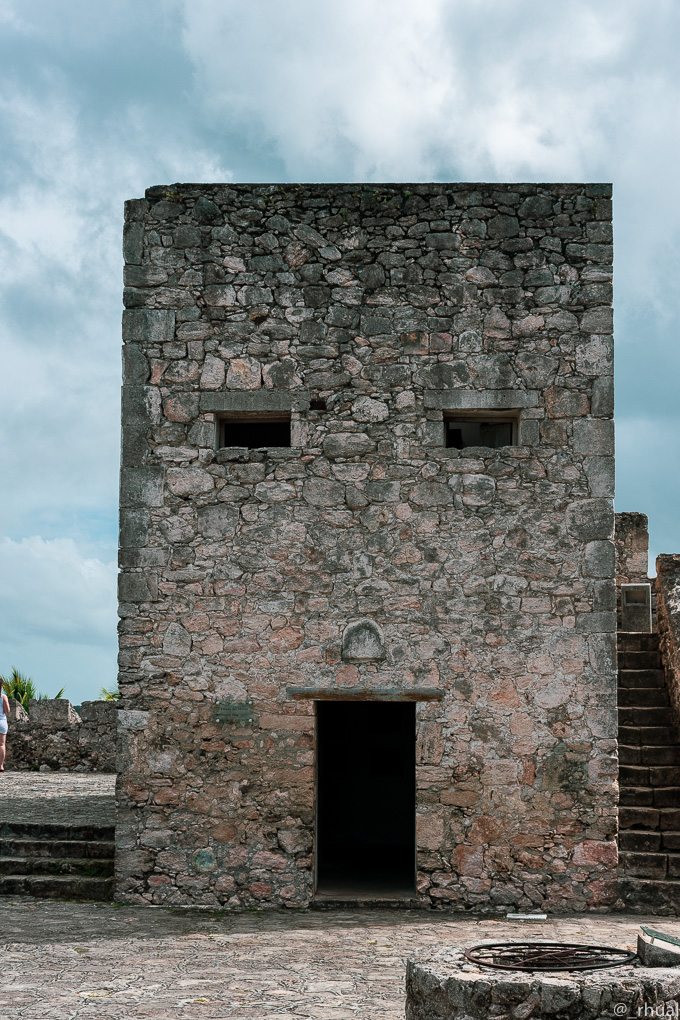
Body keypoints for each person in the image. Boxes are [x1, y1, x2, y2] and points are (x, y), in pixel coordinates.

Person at [0, 683, 9, 771]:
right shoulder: (3, 697)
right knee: (2, 744)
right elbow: (7, 710)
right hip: (1, 722)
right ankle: (1, 766)